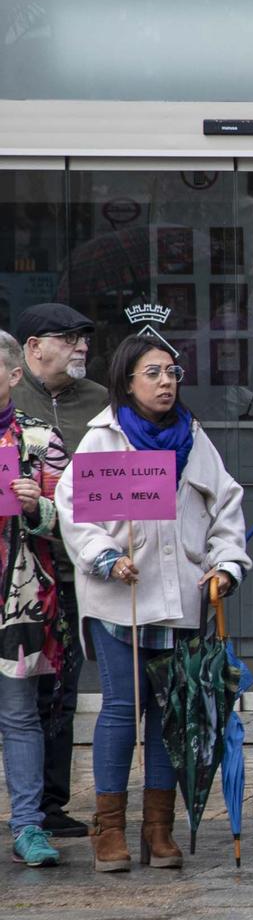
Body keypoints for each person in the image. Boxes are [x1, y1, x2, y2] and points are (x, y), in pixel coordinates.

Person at [55, 336, 250, 872]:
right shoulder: (103, 438)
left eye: (172, 371)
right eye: (153, 373)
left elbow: (227, 504)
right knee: (122, 708)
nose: (166, 382)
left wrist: (226, 563)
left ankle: (158, 829)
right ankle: (109, 828)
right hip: (122, 599)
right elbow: (73, 510)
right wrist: (105, 557)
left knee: (171, 713)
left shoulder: (194, 436)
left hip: (183, 595)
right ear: (128, 380)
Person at [15, 302, 108, 841]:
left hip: (76, 572)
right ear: (33, 348)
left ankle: (51, 802)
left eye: (84, 339)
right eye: (69, 338)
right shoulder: (10, 399)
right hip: (18, 572)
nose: (81, 348)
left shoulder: (100, 401)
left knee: (61, 690)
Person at [0, 331, 69, 867]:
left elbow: (74, 521)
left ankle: (28, 824)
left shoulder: (41, 440)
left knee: (20, 713)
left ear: (14, 376)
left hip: (19, 596)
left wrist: (35, 508)